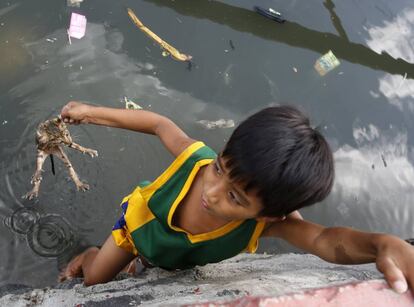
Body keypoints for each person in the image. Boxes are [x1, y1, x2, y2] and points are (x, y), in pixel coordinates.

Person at [58, 101, 414, 294]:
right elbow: (159, 124)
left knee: (153, 265)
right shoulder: (194, 159)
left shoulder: (263, 228)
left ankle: (142, 265)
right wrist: (91, 113)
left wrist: (381, 244)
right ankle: (93, 254)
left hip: (172, 256)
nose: (211, 193)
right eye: (219, 168)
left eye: (235, 197)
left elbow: (324, 239)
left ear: (269, 216)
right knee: (93, 283)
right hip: (137, 229)